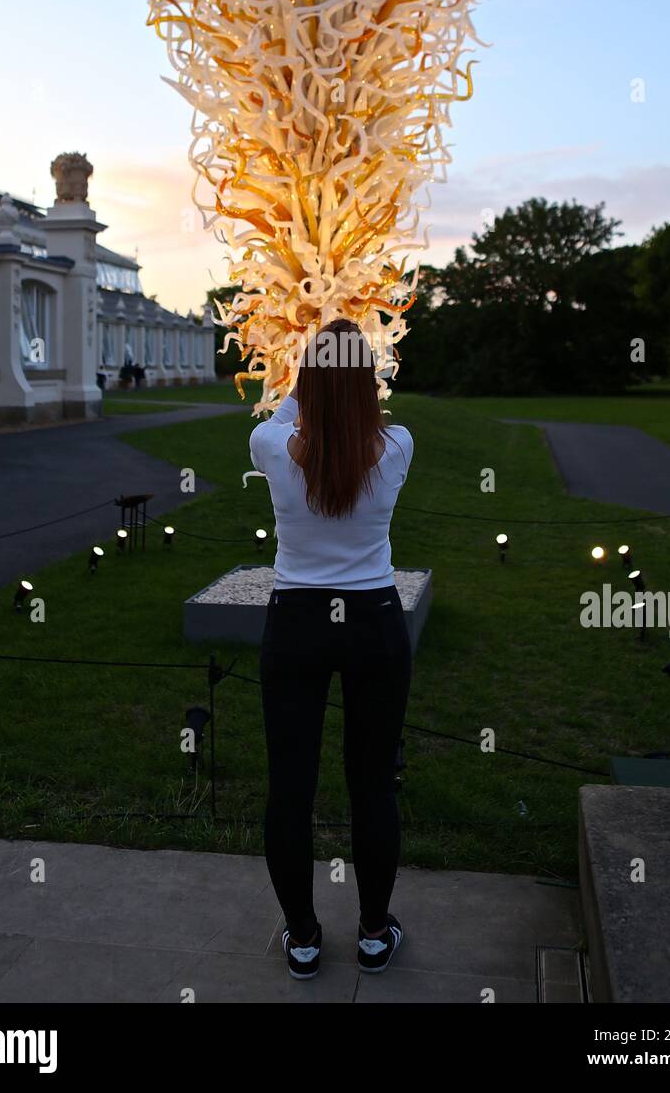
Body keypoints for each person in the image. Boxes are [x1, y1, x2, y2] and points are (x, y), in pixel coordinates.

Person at [249, 318, 413, 980]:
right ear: (368, 383)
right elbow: (356, 421)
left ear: (308, 382)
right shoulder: (399, 444)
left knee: (290, 788)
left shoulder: (268, 441)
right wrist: (340, 374)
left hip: (297, 624)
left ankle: (305, 938)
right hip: (373, 620)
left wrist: (304, 372)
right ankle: (375, 932)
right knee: (373, 784)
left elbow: (288, 413)